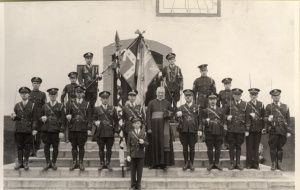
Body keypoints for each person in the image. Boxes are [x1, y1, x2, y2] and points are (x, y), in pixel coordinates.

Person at [145, 87, 175, 171]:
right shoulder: (151, 103)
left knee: (164, 144)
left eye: (162, 92)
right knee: (154, 144)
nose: (161, 94)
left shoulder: (168, 103)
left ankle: (163, 164)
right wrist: (149, 128)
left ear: (164, 93)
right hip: (154, 127)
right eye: (159, 92)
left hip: (165, 126)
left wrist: (169, 115)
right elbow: (148, 117)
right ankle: (154, 163)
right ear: (156, 93)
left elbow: (171, 115)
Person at [66, 85, 92, 171]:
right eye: (77, 92)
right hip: (73, 127)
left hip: (82, 128)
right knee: (73, 146)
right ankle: (74, 162)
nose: (79, 94)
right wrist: (68, 117)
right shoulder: (70, 103)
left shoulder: (87, 103)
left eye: (81, 92)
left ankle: (80, 162)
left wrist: (89, 128)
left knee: (81, 146)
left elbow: (89, 117)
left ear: (83, 93)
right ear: (75, 93)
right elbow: (67, 114)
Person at [11, 87, 38, 170]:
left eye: (26, 93)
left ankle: (25, 162)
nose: (24, 95)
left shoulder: (32, 105)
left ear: (29, 94)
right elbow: (14, 117)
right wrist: (13, 117)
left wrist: (34, 129)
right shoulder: (17, 105)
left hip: (28, 129)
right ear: (20, 95)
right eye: (22, 93)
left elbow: (35, 119)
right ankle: (20, 162)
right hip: (18, 129)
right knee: (19, 146)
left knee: (27, 146)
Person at [264, 89, 291, 171]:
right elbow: (265, 119)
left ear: (280, 96)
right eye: (274, 96)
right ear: (272, 97)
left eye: (277, 95)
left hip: (282, 130)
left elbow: (288, 120)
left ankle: (279, 164)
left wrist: (288, 131)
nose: (276, 97)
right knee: (273, 147)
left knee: (280, 147)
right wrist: (268, 119)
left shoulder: (285, 107)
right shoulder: (269, 107)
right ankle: (273, 164)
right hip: (273, 130)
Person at [39, 88, 66, 170]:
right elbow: (39, 118)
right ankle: (47, 162)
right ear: (49, 95)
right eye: (51, 95)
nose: (53, 96)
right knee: (46, 146)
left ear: (57, 95)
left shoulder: (60, 106)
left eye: (54, 95)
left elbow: (63, 120)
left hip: (55, 130)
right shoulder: (44, 106)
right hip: (46, 130)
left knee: (55, 146)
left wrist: (62, 131)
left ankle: (53, 162)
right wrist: (42, 118)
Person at [175, 89, 201, 171]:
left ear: (192, 97)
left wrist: (200, 129)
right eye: (186, 96)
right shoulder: (181, 107)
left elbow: (200, 119)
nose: (188, 97)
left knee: (192, 147)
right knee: (185, 147)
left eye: (189, 96)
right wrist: (178, 116)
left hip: (193, 130)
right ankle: (186, 162)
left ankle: (191, 163)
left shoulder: (197, 107)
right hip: (184, 130)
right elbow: (175, 119)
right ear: (184, 97)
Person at [93, 91, 119, 171]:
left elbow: (116, 121)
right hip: (100, 131)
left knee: (109, 148)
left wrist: (116, 130)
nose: (105, 100)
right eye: (103, 98)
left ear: (108, 99)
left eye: (106, 98)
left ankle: (107, 163)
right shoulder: (97, 109)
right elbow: (93, 119)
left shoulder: (112, 109)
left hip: (109, 131)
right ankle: (101, 163)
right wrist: (95, 123)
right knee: (101, 148)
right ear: (100, 99)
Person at [224, 88, 248, 170]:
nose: (237, 96)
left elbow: (247, 118)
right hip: (231, 129)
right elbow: (223, 115)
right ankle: (231, 163)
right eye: (235, 95)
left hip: (241, 129)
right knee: (231, 146)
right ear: (233, 95)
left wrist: (247, 129)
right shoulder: (229, 104)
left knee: (238, 146)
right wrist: (227, 117)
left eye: (238, 95)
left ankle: (238, 163)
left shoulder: (245, 104)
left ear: (241, 95)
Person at [200, 93, 225, 171]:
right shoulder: (205, 110)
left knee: (218, 148)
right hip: (209, 132)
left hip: (219, 131)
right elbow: (201, 121)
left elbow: (224, 121)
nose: (212, 101)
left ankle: (216, 163)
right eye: (211, 100)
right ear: (208, 100)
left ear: (216, 100)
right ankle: (211, 163)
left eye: (214, 99)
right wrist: (205, 121)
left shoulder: (221, 110)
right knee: (209, 149)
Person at [121, 90, 144, 170]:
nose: (132, 97)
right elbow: (122, 119)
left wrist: (142, 131)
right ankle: (129, 163)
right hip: (128, 129)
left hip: (137, 130)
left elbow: (142, 120)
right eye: (130, 96)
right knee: (129, 146)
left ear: (136, 97)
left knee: (137, 146)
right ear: (128, 97)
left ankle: (137, 164)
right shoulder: (124, 108)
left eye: (133, 96)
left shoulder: (139, 107)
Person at [245, 88, 265, 170]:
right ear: (250, 95)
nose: (253, 96)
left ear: (257, 95)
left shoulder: (261, 104)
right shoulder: (247, 104)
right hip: (250, 129)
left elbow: (263, 117)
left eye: (255, 95)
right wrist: (250, 115)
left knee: (256, 147)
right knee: (249, 147)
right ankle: (249, 164)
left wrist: (263, 128)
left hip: (258, 128)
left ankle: (256, 164)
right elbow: (245, 117)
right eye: (252, 94)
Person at [127, 116, 149, 190]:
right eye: (135, 123)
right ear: (133, 125)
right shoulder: (130, 133)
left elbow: (147, 143)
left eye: (138, 123)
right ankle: (133, 183)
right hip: (133, 154)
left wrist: (143, 142)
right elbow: (128, 145)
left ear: (140, 124)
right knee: (133, 170)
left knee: (139, 171)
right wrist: (128, 155)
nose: (136, 125)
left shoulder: (144, 133)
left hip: (140, 154)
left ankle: (138, 184)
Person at [29, 77, 47, 157]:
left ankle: (36, 149)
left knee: (38, 134)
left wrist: (44, 116)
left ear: (40, 84)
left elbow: (44, 106)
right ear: (32, 84)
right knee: (30, 134)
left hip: (39, 116)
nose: (36, 85)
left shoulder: (42, 94)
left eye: (37, 83)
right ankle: (30, 150)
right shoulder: (28, 93)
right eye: (34, 83)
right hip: (30, 116)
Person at [217, 78, 233, 150]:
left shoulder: (233, 92)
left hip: (231, 111)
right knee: (223, 127)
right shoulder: (221, 92)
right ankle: (223, 143)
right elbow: (217, 103)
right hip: (223, 111)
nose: (227, 85)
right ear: (224, 85)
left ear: (230, 84)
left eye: (228, 84)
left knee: (230, 127)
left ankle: (229, 143)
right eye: (225, 84)